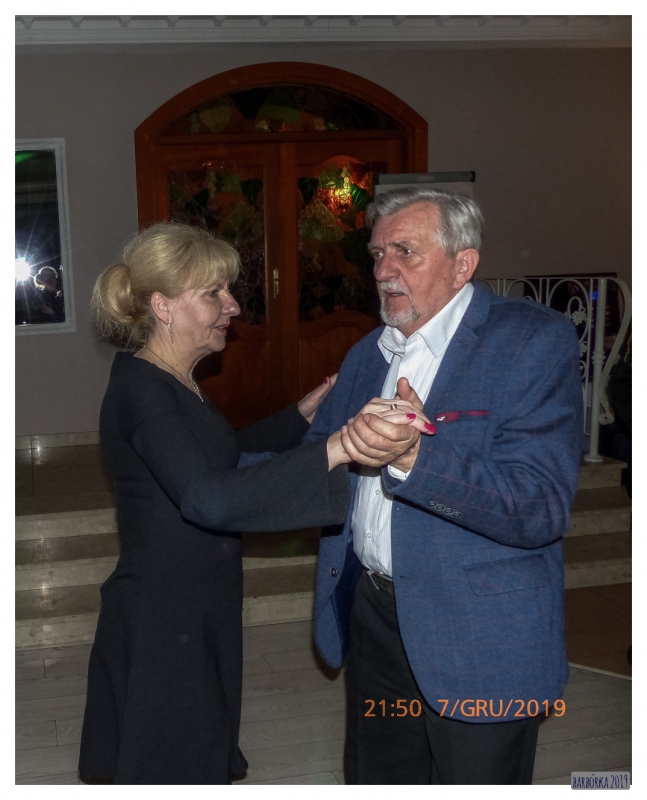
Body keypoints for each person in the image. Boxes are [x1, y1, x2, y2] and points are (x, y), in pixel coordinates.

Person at [78, 222, 428, 785]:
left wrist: (302, 415)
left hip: (192, 597)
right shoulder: (144, 391)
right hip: (165, 611)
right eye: (213, 293)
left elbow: (222, 456)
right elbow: (208, 497)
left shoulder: (172, 378)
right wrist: (338, 448)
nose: (233, 306)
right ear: (163, 306)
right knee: (170, 762)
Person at [306, 187, 584, 784]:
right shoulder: (368, 354)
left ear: (463, 264)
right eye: (377, 254)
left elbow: (539, 505)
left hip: (479, 633)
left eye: (405, 251)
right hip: (376, 617)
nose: (383, 270)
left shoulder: (532, 342)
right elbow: (314, 457)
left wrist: (415, 458)